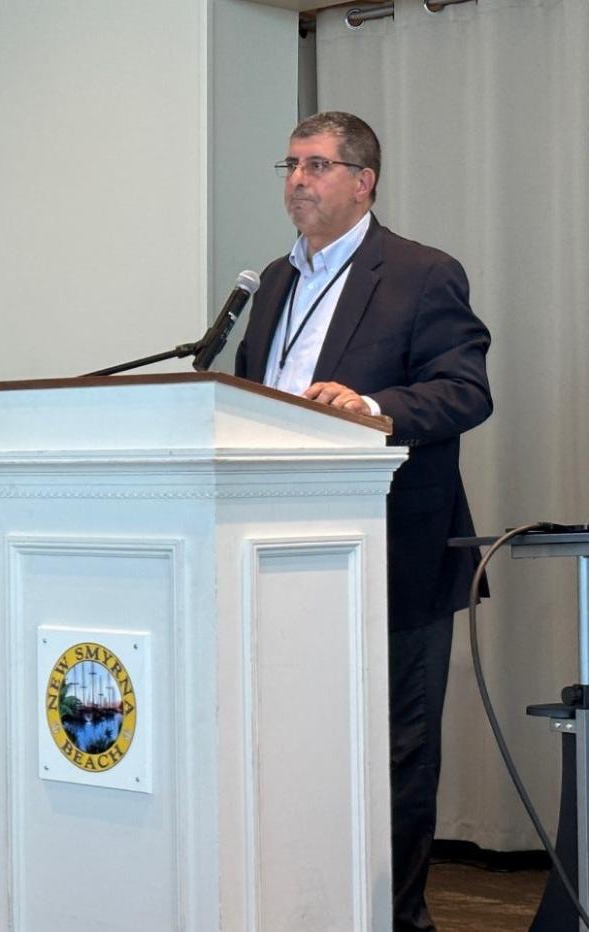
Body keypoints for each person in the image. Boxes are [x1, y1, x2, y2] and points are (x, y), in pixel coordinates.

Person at [234, 111, 492, 932]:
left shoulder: (420, 273)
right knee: (295, 748)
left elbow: (465, 391)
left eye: (315, 166)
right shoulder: (273, 281)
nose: (297, 181)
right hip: (276, 553)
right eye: (290, 165)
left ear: (362, 180)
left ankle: (394, 918)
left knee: (395, 756)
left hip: (394, 555)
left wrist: (371, 407)